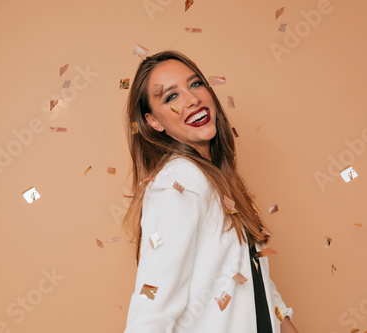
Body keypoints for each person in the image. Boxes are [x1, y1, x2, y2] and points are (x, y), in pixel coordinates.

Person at [123, 50, 299, 333]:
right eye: (170, 97)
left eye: (195, 84)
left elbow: (249, 276)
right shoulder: (181, 181)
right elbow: (152, 306)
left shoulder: (215, 179)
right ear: (153, 122)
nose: (192, 99)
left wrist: (284, 321)